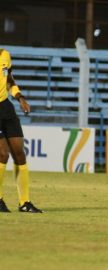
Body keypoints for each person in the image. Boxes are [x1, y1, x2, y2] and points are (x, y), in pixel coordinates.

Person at [0, 48, 43, 213]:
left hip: (5, 107)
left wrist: (20, 98)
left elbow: (9, 79)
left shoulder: (5, 54)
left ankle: (24, 202)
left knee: (19, 152)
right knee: (2, 154)